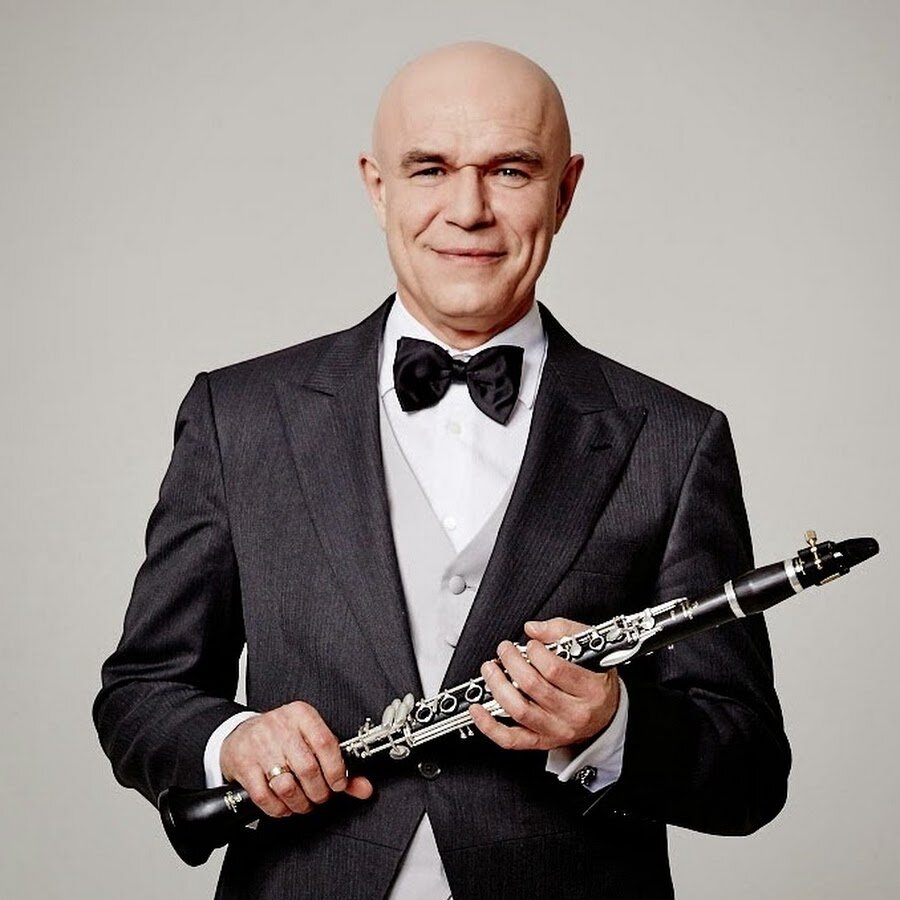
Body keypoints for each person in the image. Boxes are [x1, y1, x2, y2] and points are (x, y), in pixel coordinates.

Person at [94, 42, 790, 899]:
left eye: (510, 170)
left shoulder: (674, 440)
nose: (468, 211)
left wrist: (612, 725)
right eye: (429, 169)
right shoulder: (238, 416)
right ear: (377, 187)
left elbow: (750, 774)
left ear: (565, 191)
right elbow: (141, 693)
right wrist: (230, 743)